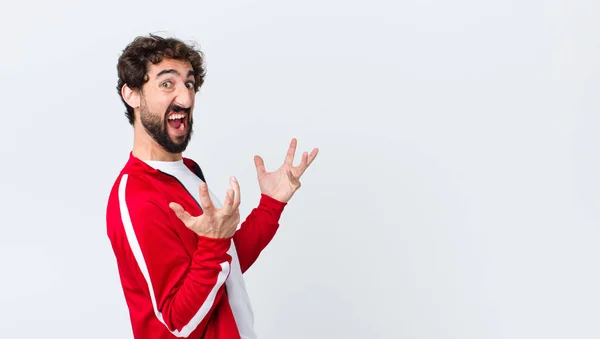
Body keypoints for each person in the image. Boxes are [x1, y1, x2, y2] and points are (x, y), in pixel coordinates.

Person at [105, 34, 318, 339]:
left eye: (189, 84)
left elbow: (222, 270)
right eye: (167, 84)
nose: (186, 98)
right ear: (132, 95)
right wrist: (214, 244)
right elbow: (179, 323)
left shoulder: (187, 171)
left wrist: (271, 204)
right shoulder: (137, 197)